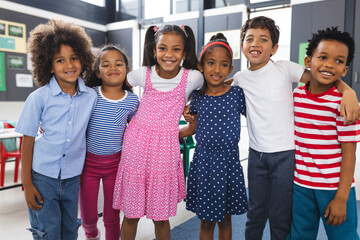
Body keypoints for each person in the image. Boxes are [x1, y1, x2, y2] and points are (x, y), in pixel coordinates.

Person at [231, 16, 359, 239]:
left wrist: (348, 91)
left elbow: (322, 78)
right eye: (250, 38)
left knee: (331, 232)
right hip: (284, 172)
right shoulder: (291, 93)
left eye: (263, 39)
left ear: (275, 48)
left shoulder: (287, 71)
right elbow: (218, 87)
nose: (255, 44)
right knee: (272, 222)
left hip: (306, 170)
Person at [112, 24, 203, 240]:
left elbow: (209, 93)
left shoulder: (193, 78)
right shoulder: (143, 74)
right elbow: (115, 85)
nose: (168, 55)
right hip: (136, 144)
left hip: (165, 151)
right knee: (131, 214)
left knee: (161, 216)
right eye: (162, 48)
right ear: (154, 51)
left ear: (184, 52)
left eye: (176, 49)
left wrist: (190, 115)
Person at [15, 20, 97, 240]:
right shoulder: (39, 98)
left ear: (83, 59)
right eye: (60, 60)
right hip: (43, 177)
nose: (69, 65)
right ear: (49, 66)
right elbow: (28, 142)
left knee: (70, 231)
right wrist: (28, 185)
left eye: (74, 58)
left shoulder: (91, 97)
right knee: (47, 232)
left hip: (72, 178)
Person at [287, 27, 360, 240]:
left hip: (334, 188)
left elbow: (350, 153)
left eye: (339, 61)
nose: (329, 64)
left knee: (343, 237)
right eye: (323, 57)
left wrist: (342, 197)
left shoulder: (345, 105)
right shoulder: (297, 95)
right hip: (301, 186)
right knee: (299, 236)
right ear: (308, 61)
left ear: (345, 70)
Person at [180, 33, 248, 240]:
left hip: (228, 163)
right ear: (201, 66)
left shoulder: (237, 94)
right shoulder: (197, 98)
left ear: (230, 69)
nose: (217, 70)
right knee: (206, 221)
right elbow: (192, 129)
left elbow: (259, 114)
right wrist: (165, 136)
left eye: (223, 64)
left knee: (225, 220)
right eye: (211, 63)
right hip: (205, 164)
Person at [79, 45, 139, 240]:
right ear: (98, 71)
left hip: (116, 165)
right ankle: (91, 234)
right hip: (88, 165)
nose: (113, 68)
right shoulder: (91, 95)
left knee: (112, 215)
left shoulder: (132, 101)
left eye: (118, 63)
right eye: (106, 64)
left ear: (127, 69)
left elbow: (140, 128)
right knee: (88, 215)